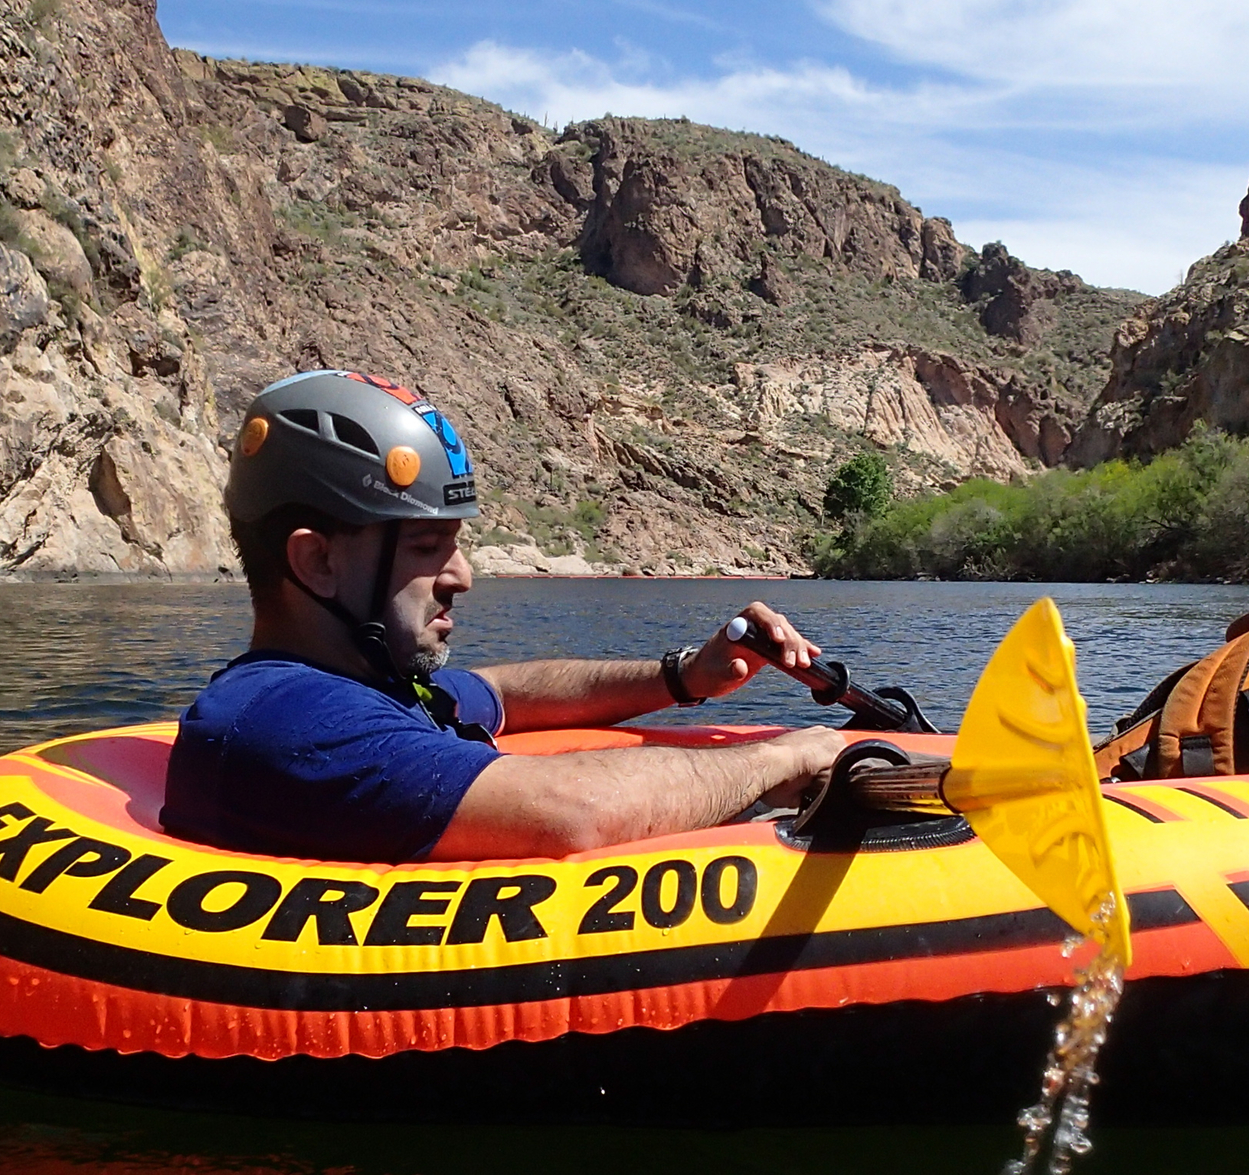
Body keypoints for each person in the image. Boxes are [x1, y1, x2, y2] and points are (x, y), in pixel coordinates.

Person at [161, 369, 848, 863]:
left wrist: (682, 677)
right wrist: (783, 757)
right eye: (429, 547)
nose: (462, 576)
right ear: (316, 563)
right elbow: (569, 813)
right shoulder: (284, 719)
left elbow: (505, 691)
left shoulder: (372, 686)